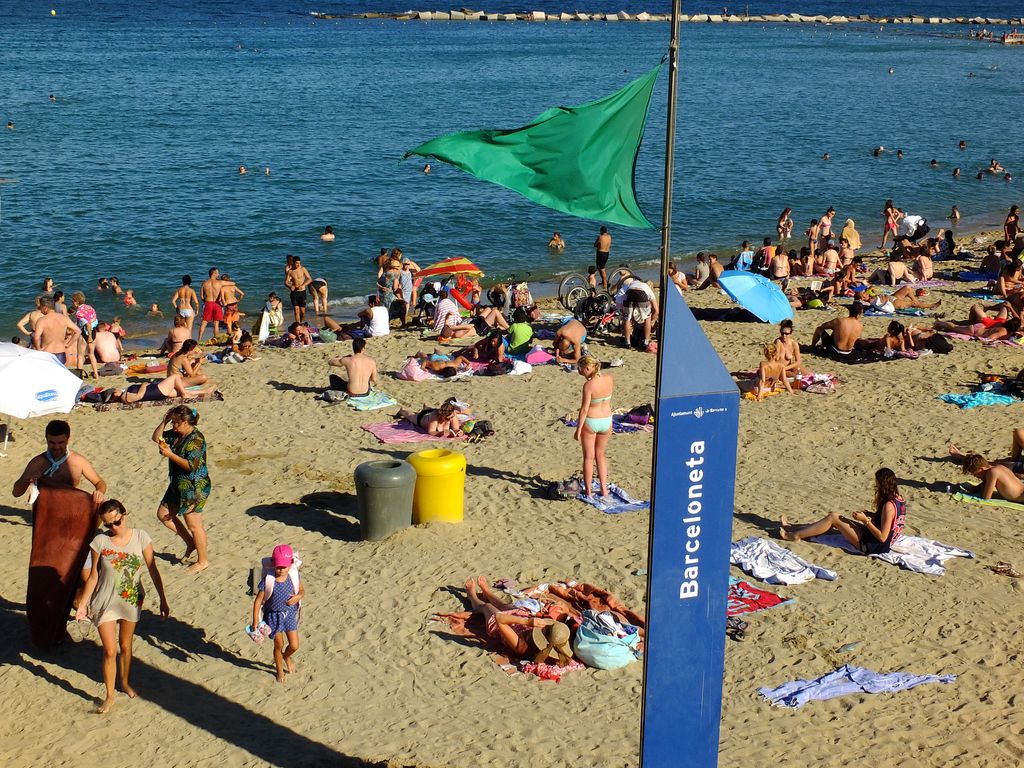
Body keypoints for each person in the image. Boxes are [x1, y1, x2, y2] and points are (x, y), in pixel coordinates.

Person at [74, 499, 169, 713]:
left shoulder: (141, 537)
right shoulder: (99, 541)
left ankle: (124, 682)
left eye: (116, 522)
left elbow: (153, 569)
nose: (113, 528)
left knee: (125, 646)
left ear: (124, 515)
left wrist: (163, 599)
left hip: (131, 599)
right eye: (108, 525)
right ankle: (109, 696)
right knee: (109, 650)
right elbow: (93, 577)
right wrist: (82, 604)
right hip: (104, 601)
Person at [779, 468, 906, 556]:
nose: (876, 486)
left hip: (873, 546)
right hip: (873, 538)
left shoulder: (889, 505)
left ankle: (795, 536)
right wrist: (872, 515)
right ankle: (793, 528)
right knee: (837, 517)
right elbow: (890, 521)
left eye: (877, 484)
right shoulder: (899, 499)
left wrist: (865, 520)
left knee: (833, 518)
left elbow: (882, 537)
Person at [153, 405, 212, 573]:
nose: (174, 426)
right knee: (163, 514)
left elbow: (191, 465)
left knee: (194, 525)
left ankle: (203, 561)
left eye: (176, 423)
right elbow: (156, 437)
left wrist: (170, 455)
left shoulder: (195, 440)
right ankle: (190, 543)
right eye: (172, 422)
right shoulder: (177, 435)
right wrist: (164, 421)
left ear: (185, 422)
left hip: (194, 487)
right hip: (177, 484)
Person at [462, 576, 570, 664]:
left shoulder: (524, 648)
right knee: (504, 605)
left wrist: (527, 622)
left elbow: (499, 619)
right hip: (521, 619)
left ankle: (472, 597)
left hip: (502, 625)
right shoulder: (554, 647)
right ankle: (487, 592)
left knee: (487, 607)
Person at [12, 420, 107, 506]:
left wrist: (99, 492)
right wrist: (27, 480)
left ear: (68, 440)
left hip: (70, 509)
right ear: (46, 439)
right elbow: (16, 493)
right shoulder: (38, 462)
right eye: (52, 443)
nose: (56, 447)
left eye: (61, 442)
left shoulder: (78, 461)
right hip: (44, 513)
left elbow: (100, 482)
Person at [251, 544, 303, 683]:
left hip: (289, 614)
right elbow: (258, 601)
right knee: (278, 645)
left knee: (294, 645)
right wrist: (255, 619)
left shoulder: (294, 575)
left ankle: (287, 656)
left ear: (291, 563)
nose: (280, 570)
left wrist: (298, 597)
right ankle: (279, 670)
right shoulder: (268, 580)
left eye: (283, 567)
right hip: (273, 616)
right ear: (273, 563)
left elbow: (302, 591)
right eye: (278, 567)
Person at [575, 356, 613, 499]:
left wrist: (578, 429)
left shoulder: (588, 386)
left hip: (592, 420)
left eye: (581, 370)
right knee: (601, 455)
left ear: (588, 368)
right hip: (607, 420)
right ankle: (604, 489)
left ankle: (589, 492)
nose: (580, 373)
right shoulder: (609, 378)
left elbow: (584, 409)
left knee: (589, 457)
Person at [33, 296, 80, 366]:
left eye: (41, 307)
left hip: (47, 353)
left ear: (45, 307)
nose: (40, 309)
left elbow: (36, 338)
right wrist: (68, 344)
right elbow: (78, 331)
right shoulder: (64, 318)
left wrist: (38, 349)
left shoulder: (42, 320)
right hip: (61, 352)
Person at [959, 453, 1024, 502]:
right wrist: (974, 488)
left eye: (975, 474)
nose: (975, 476)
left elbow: (986, 497)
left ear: (980, 469)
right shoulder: (999, 467)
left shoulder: (992, 472)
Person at [617, 277, 657, 349]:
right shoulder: (647, 287)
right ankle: (646, 342)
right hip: (641, 294)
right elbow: (656, 310)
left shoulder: (630, 283)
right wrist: (652, 320)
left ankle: (627, 342)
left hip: (629, 294)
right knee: (647, 318)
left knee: (627, 319)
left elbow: (621, 295)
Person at [70, 292, 100, 379]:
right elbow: (93, 320)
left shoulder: (79, 313)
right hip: (94, 331)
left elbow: (87, 324)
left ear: (76, 302)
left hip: (85, 333)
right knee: (91, 354)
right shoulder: (90, 307)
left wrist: (89, 336)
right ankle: (96, 374)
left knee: (80, 355)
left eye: (72, 301)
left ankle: (79, 376)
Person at [396, 402, 462, 437]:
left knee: (430, 410)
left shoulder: (452, 414)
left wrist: (459, 432)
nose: (450, 419)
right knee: (411, 416)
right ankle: (401, 411)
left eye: (451, 417)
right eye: (448, 418)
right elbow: (431, 432)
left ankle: (426, 408)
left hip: (433, 412)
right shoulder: (435, 416)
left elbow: (456, 429)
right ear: (443, 416)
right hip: (422, 419)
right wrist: (440, 433)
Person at [197, 267, 224, 343]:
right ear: (214, 273)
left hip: (208, 303)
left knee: (204, 322)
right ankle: (216, 340)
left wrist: (205, 301)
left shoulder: (204, 283)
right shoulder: (219, 282)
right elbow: (233, 283)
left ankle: (199, 340)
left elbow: (202, 296)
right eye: (217, 272)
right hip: (217, 304)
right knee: (216, 323)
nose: (218, 274)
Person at [285, 256, 312, 323]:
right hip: (294, 293)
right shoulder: (290, 271)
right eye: (297, 263)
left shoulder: (303, 269)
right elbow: (286, 282)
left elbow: (309, 279)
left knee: (302, 312)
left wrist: (303, 285)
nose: (298, 265)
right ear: (293, 263)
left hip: (302, 292)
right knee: (296, 310)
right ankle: (298, 325)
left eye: (299, 263)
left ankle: (301, 322)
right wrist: (290, 286)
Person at [594, 226, 612, 291]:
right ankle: (603, 282)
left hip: (600, 254)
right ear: (606, 231)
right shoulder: (609, 237)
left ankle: (605, 284)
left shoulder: (600, 237)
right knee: (601, 268)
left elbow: (595, 245)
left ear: (601, 231)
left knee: (602, 269)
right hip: (606, 253)